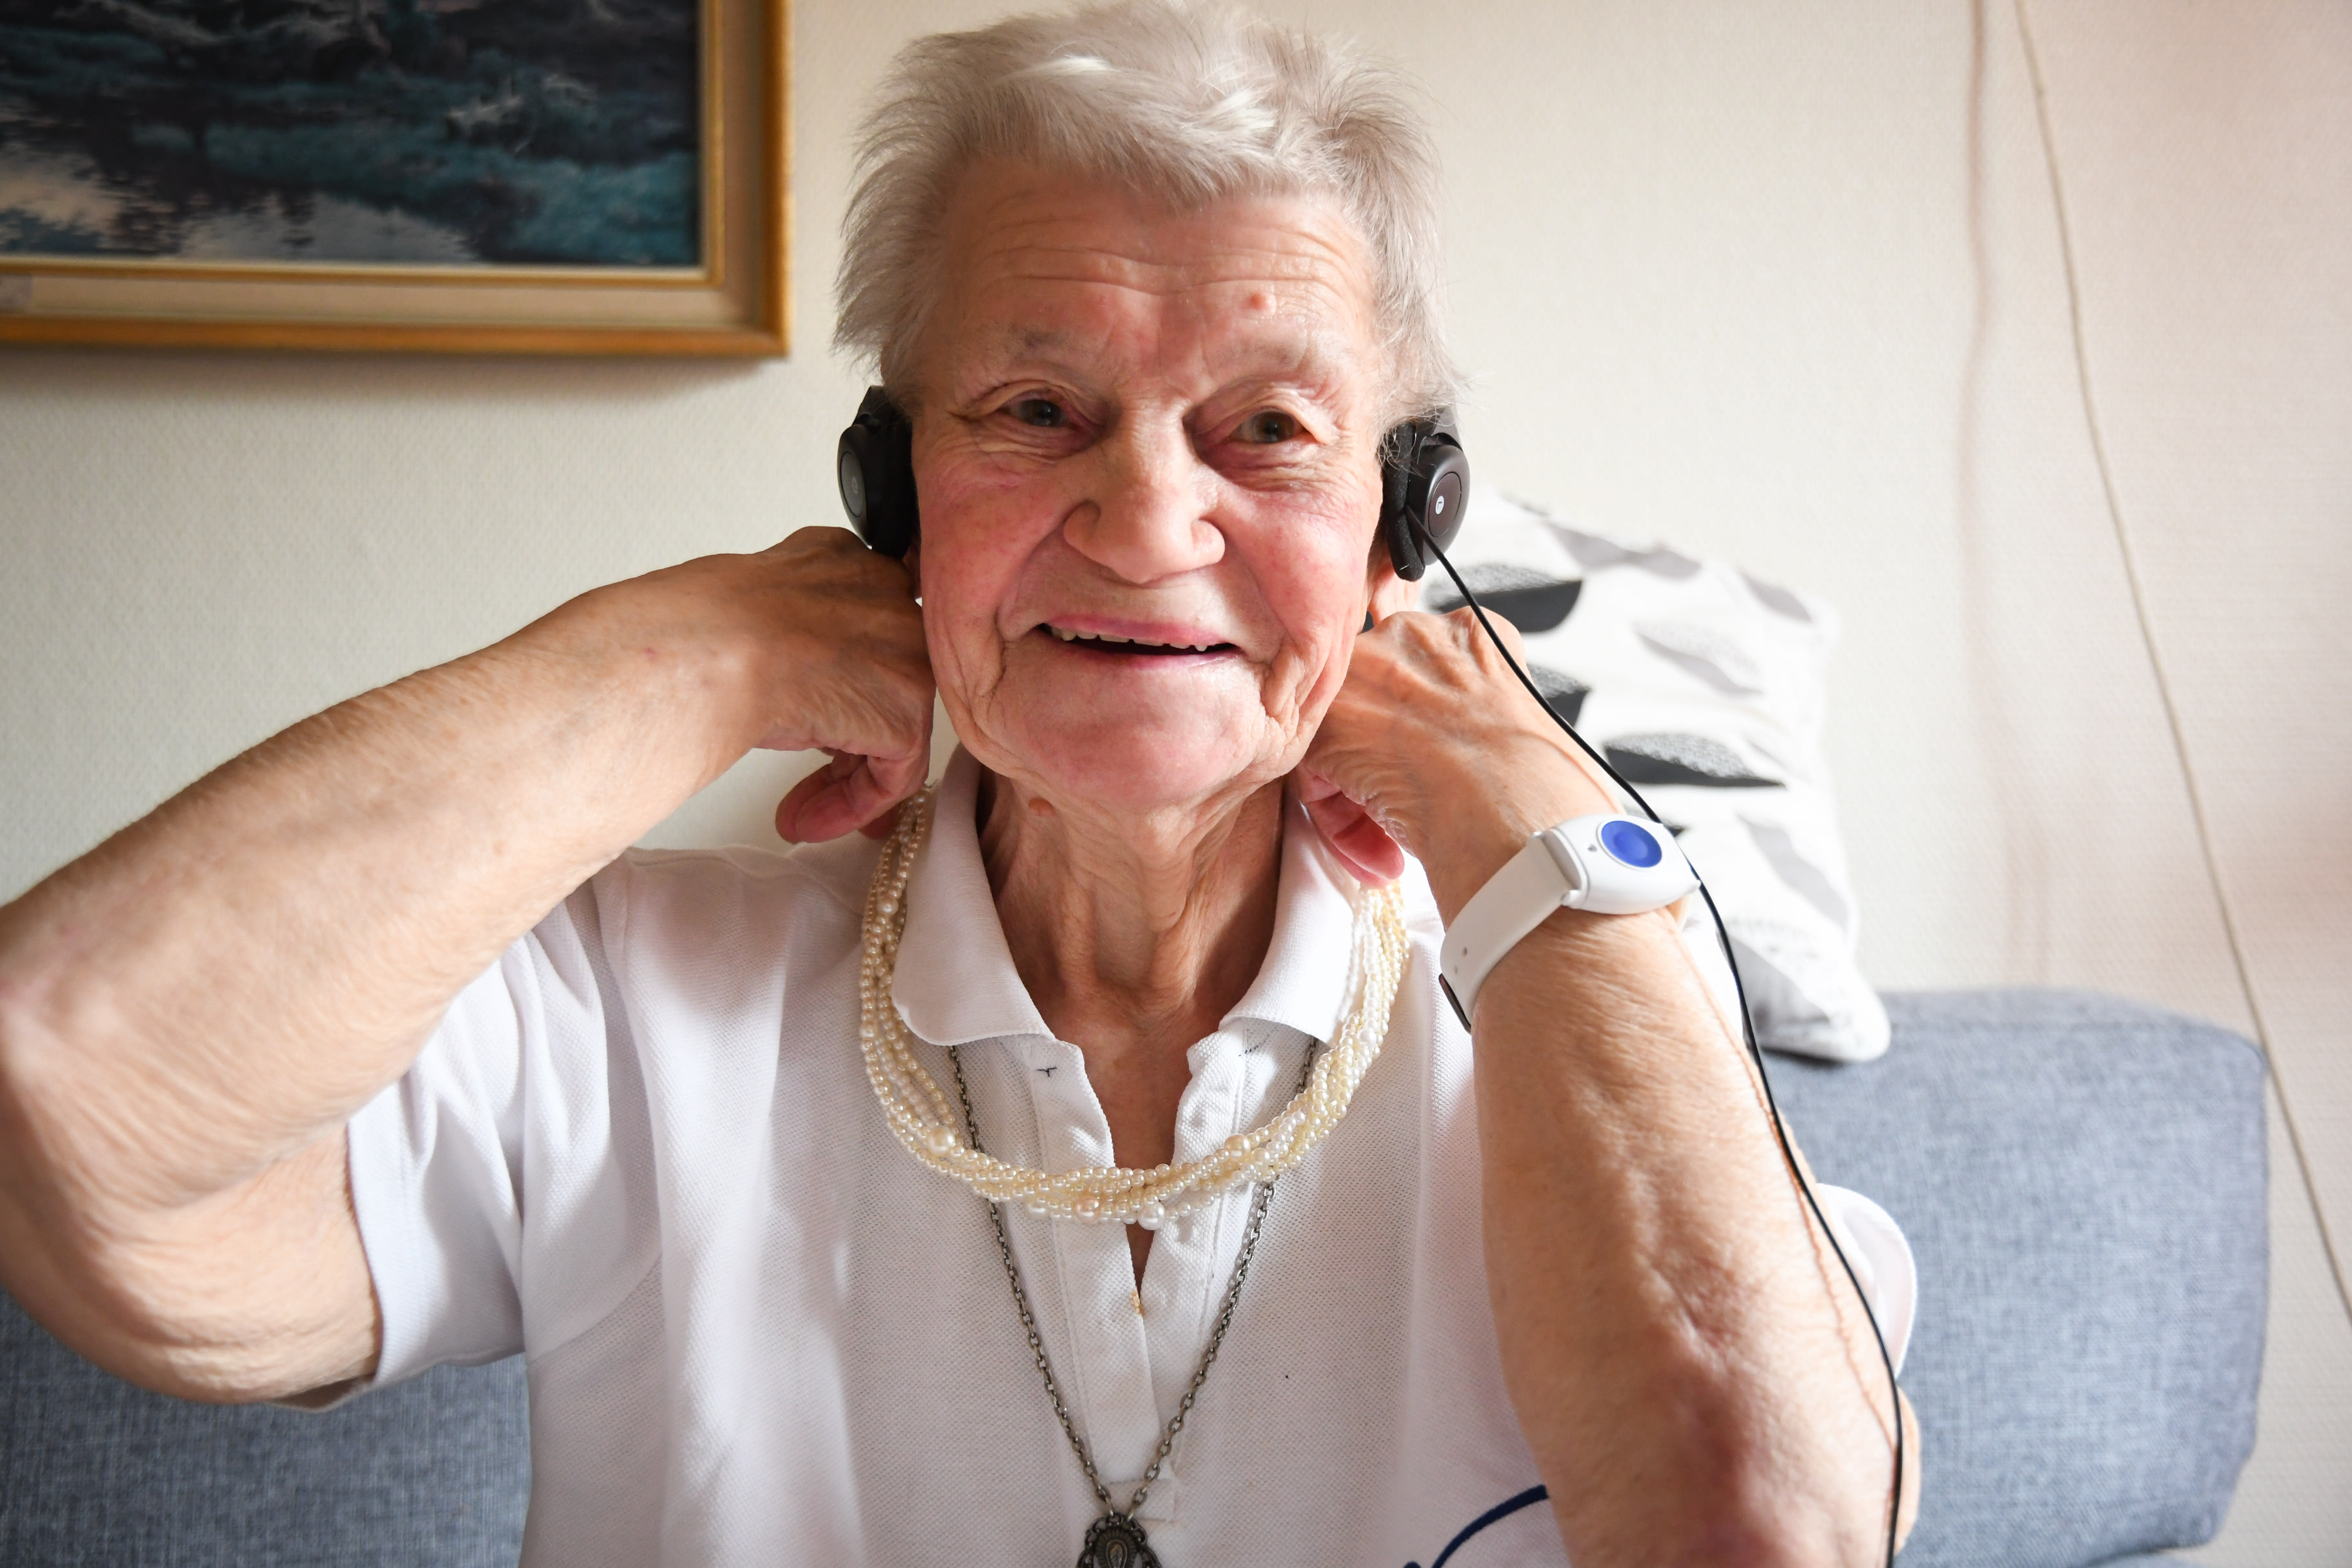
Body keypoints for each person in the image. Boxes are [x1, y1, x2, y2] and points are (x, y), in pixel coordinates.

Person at [0, 3, 1919, 1564]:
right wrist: (701, 649)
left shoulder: (1577, 1024)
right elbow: (65, 1097)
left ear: (1401, 527)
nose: (1147, 523)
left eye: (1268, 429)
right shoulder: (618, 1006)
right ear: (891, 492)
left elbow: (1760, 1522)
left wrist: (1529, 798)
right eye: (1036, 410)